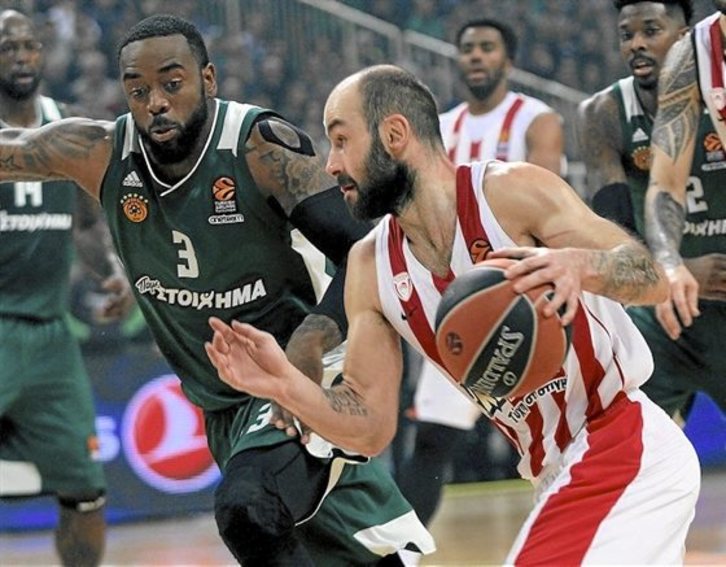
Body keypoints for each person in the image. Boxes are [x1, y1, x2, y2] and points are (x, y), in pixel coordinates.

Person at [206, 64, 701, 564]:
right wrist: (286, 386)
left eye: (341, 140)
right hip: (552, 470)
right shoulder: (369, 267)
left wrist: (582, 265)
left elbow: (651, 276)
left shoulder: (509, 192)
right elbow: (371, 426)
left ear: (394, 135)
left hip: (619, 440)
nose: (331, 164)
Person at [0, 14, 434, 567]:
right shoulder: (101, 152)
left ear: (208, 78)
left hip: (307, 369)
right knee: (340, 547)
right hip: (225, 401)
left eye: (171, 83)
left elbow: (367, 254)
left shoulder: (260, 148)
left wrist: (310, 341)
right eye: (138, 90)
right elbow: (14, 146)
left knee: (248, 509)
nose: (156, 102)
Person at [399, 17, 565, 528]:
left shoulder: (536, 119)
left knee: (558, 442)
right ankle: (401, 553)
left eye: (487, 47)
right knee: (431, 439)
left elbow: (544, 203)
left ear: (507, 61)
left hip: (526, 302)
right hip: (462, 308)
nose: (475, 55)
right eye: (467, 48)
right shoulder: (440, 128)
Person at [0, 10, 132, 567]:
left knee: (87, 491)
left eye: (29, 46)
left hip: (53, 339)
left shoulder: (65, 127)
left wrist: (110, 270)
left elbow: (84, 224)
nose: (21, 57)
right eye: (8, 47)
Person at [579, 0, 726, 418]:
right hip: (669, 307)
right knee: (610, 418)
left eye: (651, 31)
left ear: (682, 35)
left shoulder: (705, 75)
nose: (637, 45)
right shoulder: (605, 112)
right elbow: (612, 231)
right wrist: (666, 271)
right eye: (627, 35)